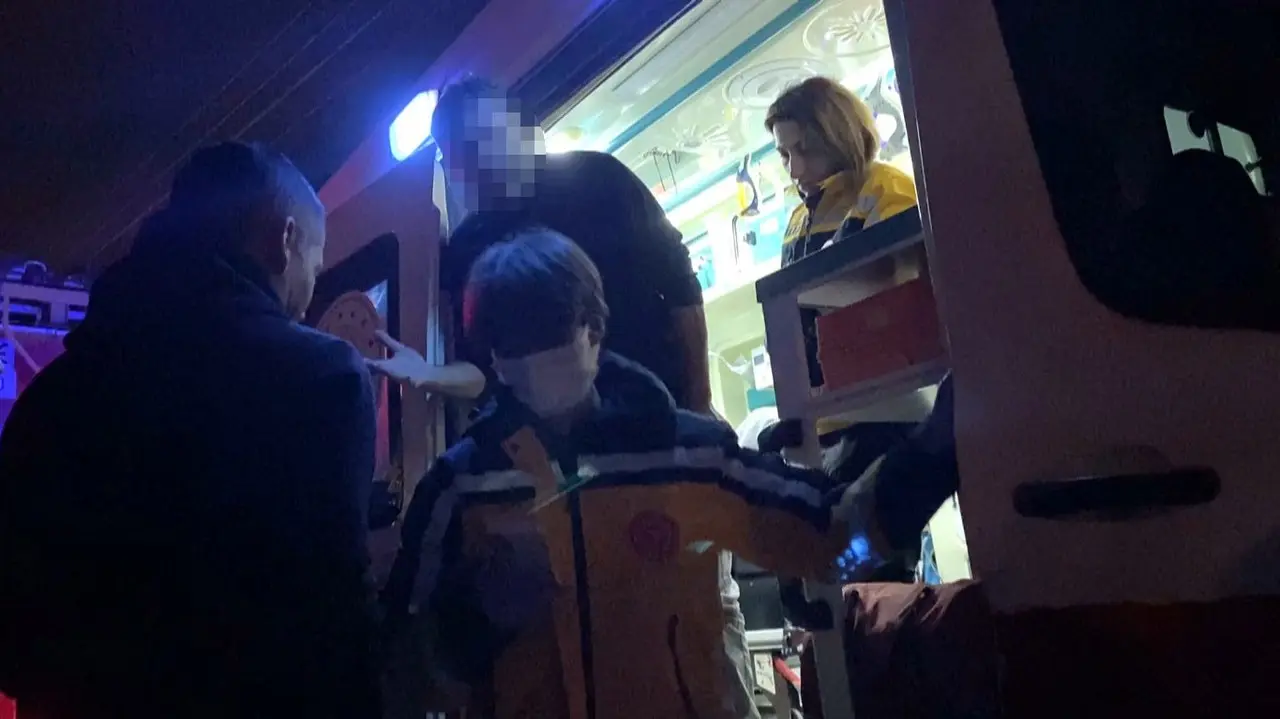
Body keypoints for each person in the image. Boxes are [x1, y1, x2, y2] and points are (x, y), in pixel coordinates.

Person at [369, 76, 763, 716]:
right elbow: (489, 373)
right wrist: (430, 374)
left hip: (652, 443)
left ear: (516, 128)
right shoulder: (469, 244)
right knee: (573, 622)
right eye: (455, 154)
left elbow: (681, 289)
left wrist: (696, 403)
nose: (470, 163)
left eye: (478, 141)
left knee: (697, 610)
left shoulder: (598, 180)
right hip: (550, 470)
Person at [380, 230, 880, 719]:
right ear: (492, 355)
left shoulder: (689, 456)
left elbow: (833, 532)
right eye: (510, 344)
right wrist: (474, 619)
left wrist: (917, 462)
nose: (530, 358)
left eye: (547, 336)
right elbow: (396, 673)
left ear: (594, 329)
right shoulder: (459, 486)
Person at [0, 142, 381, 718]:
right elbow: (335, 619)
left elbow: (14, 632)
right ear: (283, 242)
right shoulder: (321, 378)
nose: (309, 295)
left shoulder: (51, 399)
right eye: (315, 263)